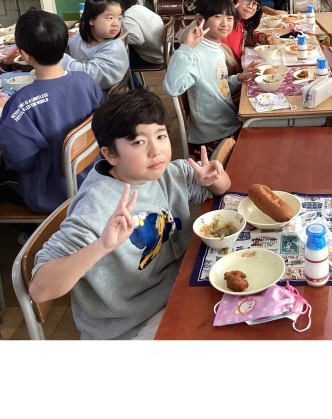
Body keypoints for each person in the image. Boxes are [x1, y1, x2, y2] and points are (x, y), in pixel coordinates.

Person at [29, 89, 231, 340]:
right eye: (138, 142)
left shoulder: (166, 173)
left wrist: (214, 178)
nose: (156, 151)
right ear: (110, 154)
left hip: (177, 290)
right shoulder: (96, 208)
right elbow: (40, 289)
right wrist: (101, 246)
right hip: (131, 326)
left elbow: (222, 188)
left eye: (160, 136)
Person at [0, 10, 102, 214]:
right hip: (93, 177)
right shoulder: (86, 81)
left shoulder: (20, 103)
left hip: (52, 193)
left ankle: (34, 230)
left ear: (24, 54)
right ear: (65, 44)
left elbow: (20, 161)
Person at [164, 0, 259, 158]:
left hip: (227, 122)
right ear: (200, 19)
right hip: (213, 137)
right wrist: (186, 48)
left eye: (229, 18)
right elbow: (173, 88)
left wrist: (238, 78)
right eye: (218, 17)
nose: (225, 23)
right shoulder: (194, 54)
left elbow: (219, 84)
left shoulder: (216, 47)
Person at [61, 0, 130, 93]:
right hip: (80, 90)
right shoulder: (77, 39)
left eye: (119, 18)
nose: (116, 23)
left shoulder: (114, 48)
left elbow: (88, 75)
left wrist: (57, 58)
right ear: (91, 19)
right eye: (110, 18)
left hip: (99, 99)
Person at [107, 0, 164, 68]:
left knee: (114, 61)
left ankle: (131, 77)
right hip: (161, 52)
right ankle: (131, 77)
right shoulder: (139, 8)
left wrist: (117, 35)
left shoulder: (127, 16)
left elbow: (137, 40)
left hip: (150, 58)